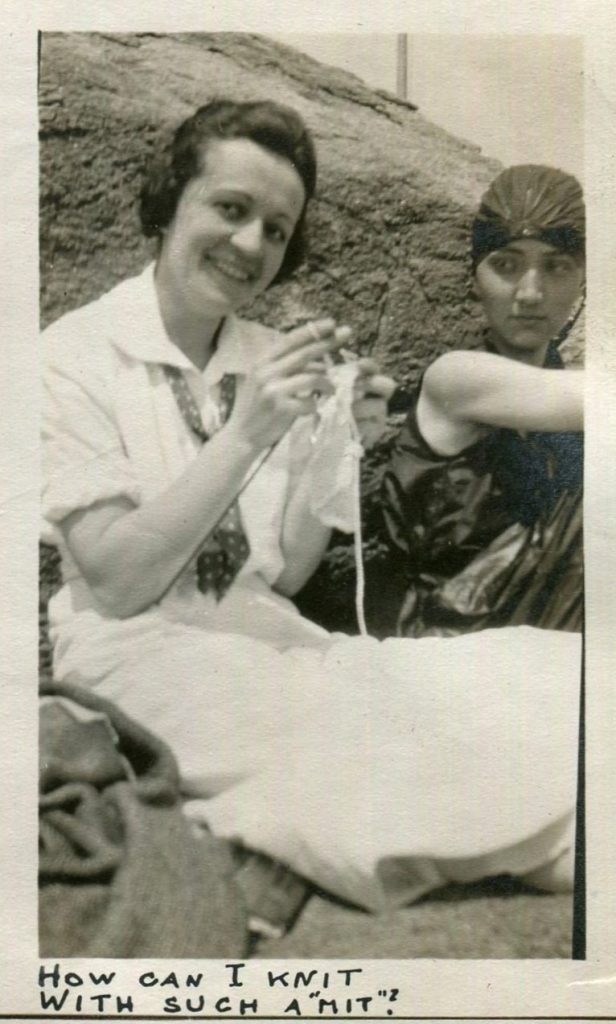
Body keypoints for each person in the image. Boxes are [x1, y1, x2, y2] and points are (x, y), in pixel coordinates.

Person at [42, 103, 581, 913]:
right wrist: (249, 432)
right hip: (137, 656)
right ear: (168, 202)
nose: (252, 244)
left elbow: (285, 572)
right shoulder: (69, 358)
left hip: (271, 639)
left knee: (553, 673)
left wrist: (338, 445)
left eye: (276, 227)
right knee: (409, 757)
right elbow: (118, 584)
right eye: (231, 209)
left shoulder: (265, 354)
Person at [372, 164, 584, 638]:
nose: (531, 293)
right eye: (506, 265)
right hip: (440, 660)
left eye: (557, 266)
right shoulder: (456, 379)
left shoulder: (576, 409)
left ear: (582, 281)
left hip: (552, 660)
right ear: (474, 278)